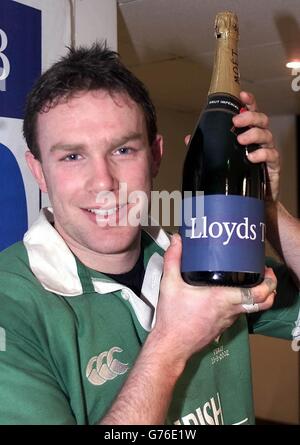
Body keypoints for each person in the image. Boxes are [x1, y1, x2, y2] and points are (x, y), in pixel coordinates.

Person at [0, 43, 299, 426]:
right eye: (72, 156)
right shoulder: (13, 307)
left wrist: (266, 206)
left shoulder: (203, 254)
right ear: (38, 171)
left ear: (155, 155)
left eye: (123, 150)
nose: (104, 183)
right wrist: (171, 344)